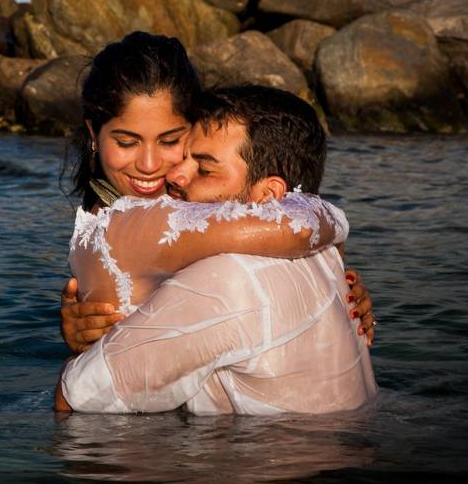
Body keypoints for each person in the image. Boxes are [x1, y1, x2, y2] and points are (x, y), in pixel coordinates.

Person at [55, 85, 377, 414]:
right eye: (185, 156)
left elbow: (72, 399)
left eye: (204, 168)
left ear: (268, 197)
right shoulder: (322, 258)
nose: (173, 174)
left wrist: (86, 356)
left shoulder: (224, 278)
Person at [58, 31, 375, 350]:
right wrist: (330, 244)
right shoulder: (131, 223)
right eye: (126, 142)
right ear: (94, 134)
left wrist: (334, 286)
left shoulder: (163, 209)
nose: (150, 164)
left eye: (170, 141)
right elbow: (297, 230)